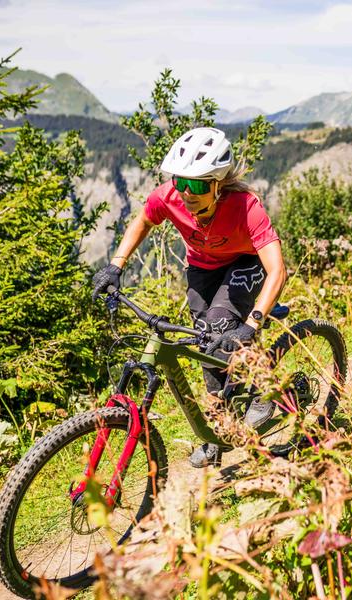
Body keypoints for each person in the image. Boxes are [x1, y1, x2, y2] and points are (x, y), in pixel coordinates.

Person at [91, 127, 287, 467]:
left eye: (196, 185)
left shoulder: (245, 207)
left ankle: (265, 392)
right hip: (202, 267)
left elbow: (277, 270)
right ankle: (220, 430)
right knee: (205, 343)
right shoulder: (168, 196)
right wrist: (115, 265)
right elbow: (143, 220)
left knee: (221, 325)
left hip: (246, 263)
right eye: (180, 182)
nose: (186, 193)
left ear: (218, 184)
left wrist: (252, 324)